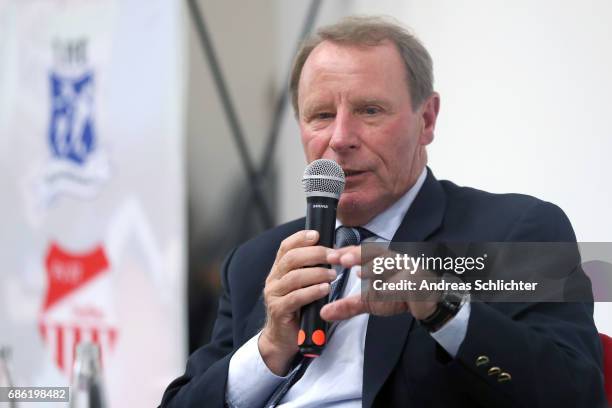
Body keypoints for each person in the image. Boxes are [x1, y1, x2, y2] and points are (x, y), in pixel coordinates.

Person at [160, 16, 606, 407]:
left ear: (427, 120)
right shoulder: (256, 262)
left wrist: (442, 308)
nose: (340, 138)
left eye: (369, 111)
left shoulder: (511, 232)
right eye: (319, 116)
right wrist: (267, 348)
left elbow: (575, 394)